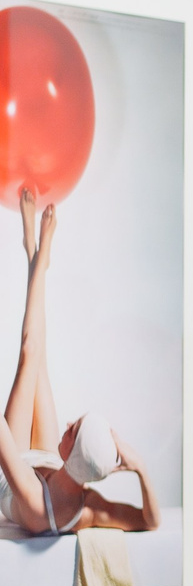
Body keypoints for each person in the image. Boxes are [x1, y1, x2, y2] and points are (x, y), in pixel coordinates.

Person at [0, 200, 161, 540]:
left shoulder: (35, 503)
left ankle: (37, 257)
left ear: (73, 455)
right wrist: (141, 469)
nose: (68, 423)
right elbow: (150, 521)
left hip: (13, 475)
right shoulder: (90, 505)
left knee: (29, 353)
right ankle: (36, 256)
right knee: (38, 354)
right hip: (46, 463)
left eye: (74, 430)